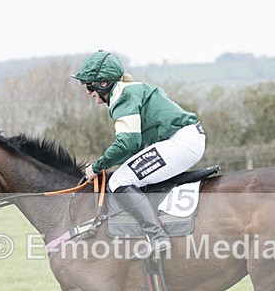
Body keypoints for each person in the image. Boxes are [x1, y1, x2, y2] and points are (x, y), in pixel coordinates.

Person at [72, 50, 206, 258]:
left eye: (90, 85)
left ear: (104, 84)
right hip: (184, 140)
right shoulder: (129, 92)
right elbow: (133, 147)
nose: (88, 91)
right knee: (123, 175)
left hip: (181, 142)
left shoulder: (123, 97)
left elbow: (128, 142)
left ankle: (157, 237)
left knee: (119, 181)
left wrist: (97, 166)